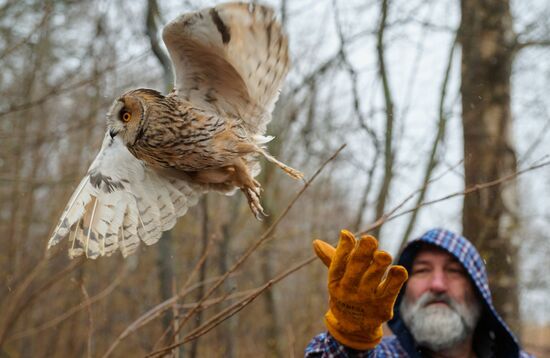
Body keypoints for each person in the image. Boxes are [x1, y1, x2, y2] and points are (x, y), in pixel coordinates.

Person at [305, 228, 533, 357]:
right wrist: (352, 340)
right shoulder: (378, 354)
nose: (437, 284)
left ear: (478, 292)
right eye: (423, 270)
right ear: (403, 291)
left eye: (453, 271)